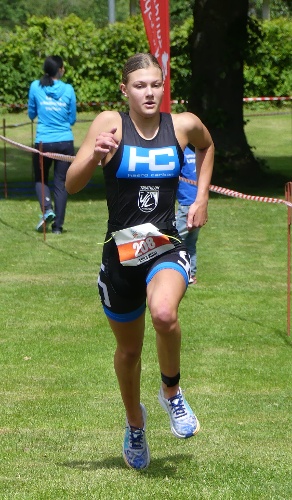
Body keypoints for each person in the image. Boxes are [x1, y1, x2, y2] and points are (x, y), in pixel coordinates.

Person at [65, 53, 214, 470]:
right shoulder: (109, 124)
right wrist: (96, 155)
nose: (148, 93)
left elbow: (207, 145)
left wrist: (201, 195)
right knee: (128, 352)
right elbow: (72, 185)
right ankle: (135, 423)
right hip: (120, 254)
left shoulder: (181, 124)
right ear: (124, 90)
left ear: (163, 86)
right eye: (139, 86)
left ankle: (172, 393)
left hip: (163, 242)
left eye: (155, 85)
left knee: (164, 314)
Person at [28, 55, 76, 234]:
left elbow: (31, 113)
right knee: (61, 183)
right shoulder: (69, 89)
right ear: (60, 70)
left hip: (43, 142)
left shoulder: (35, 86)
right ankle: (57, 227)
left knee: (40, 178)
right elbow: (72, 118)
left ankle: (47, 209)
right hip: (65, 141)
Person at [176, 145, 200, 285]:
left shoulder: (178, 154)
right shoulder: (192, 152)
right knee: (190, 243)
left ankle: (170, 273)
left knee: (174, 241)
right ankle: (191, 274)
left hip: (187, 205)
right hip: (198, 204)